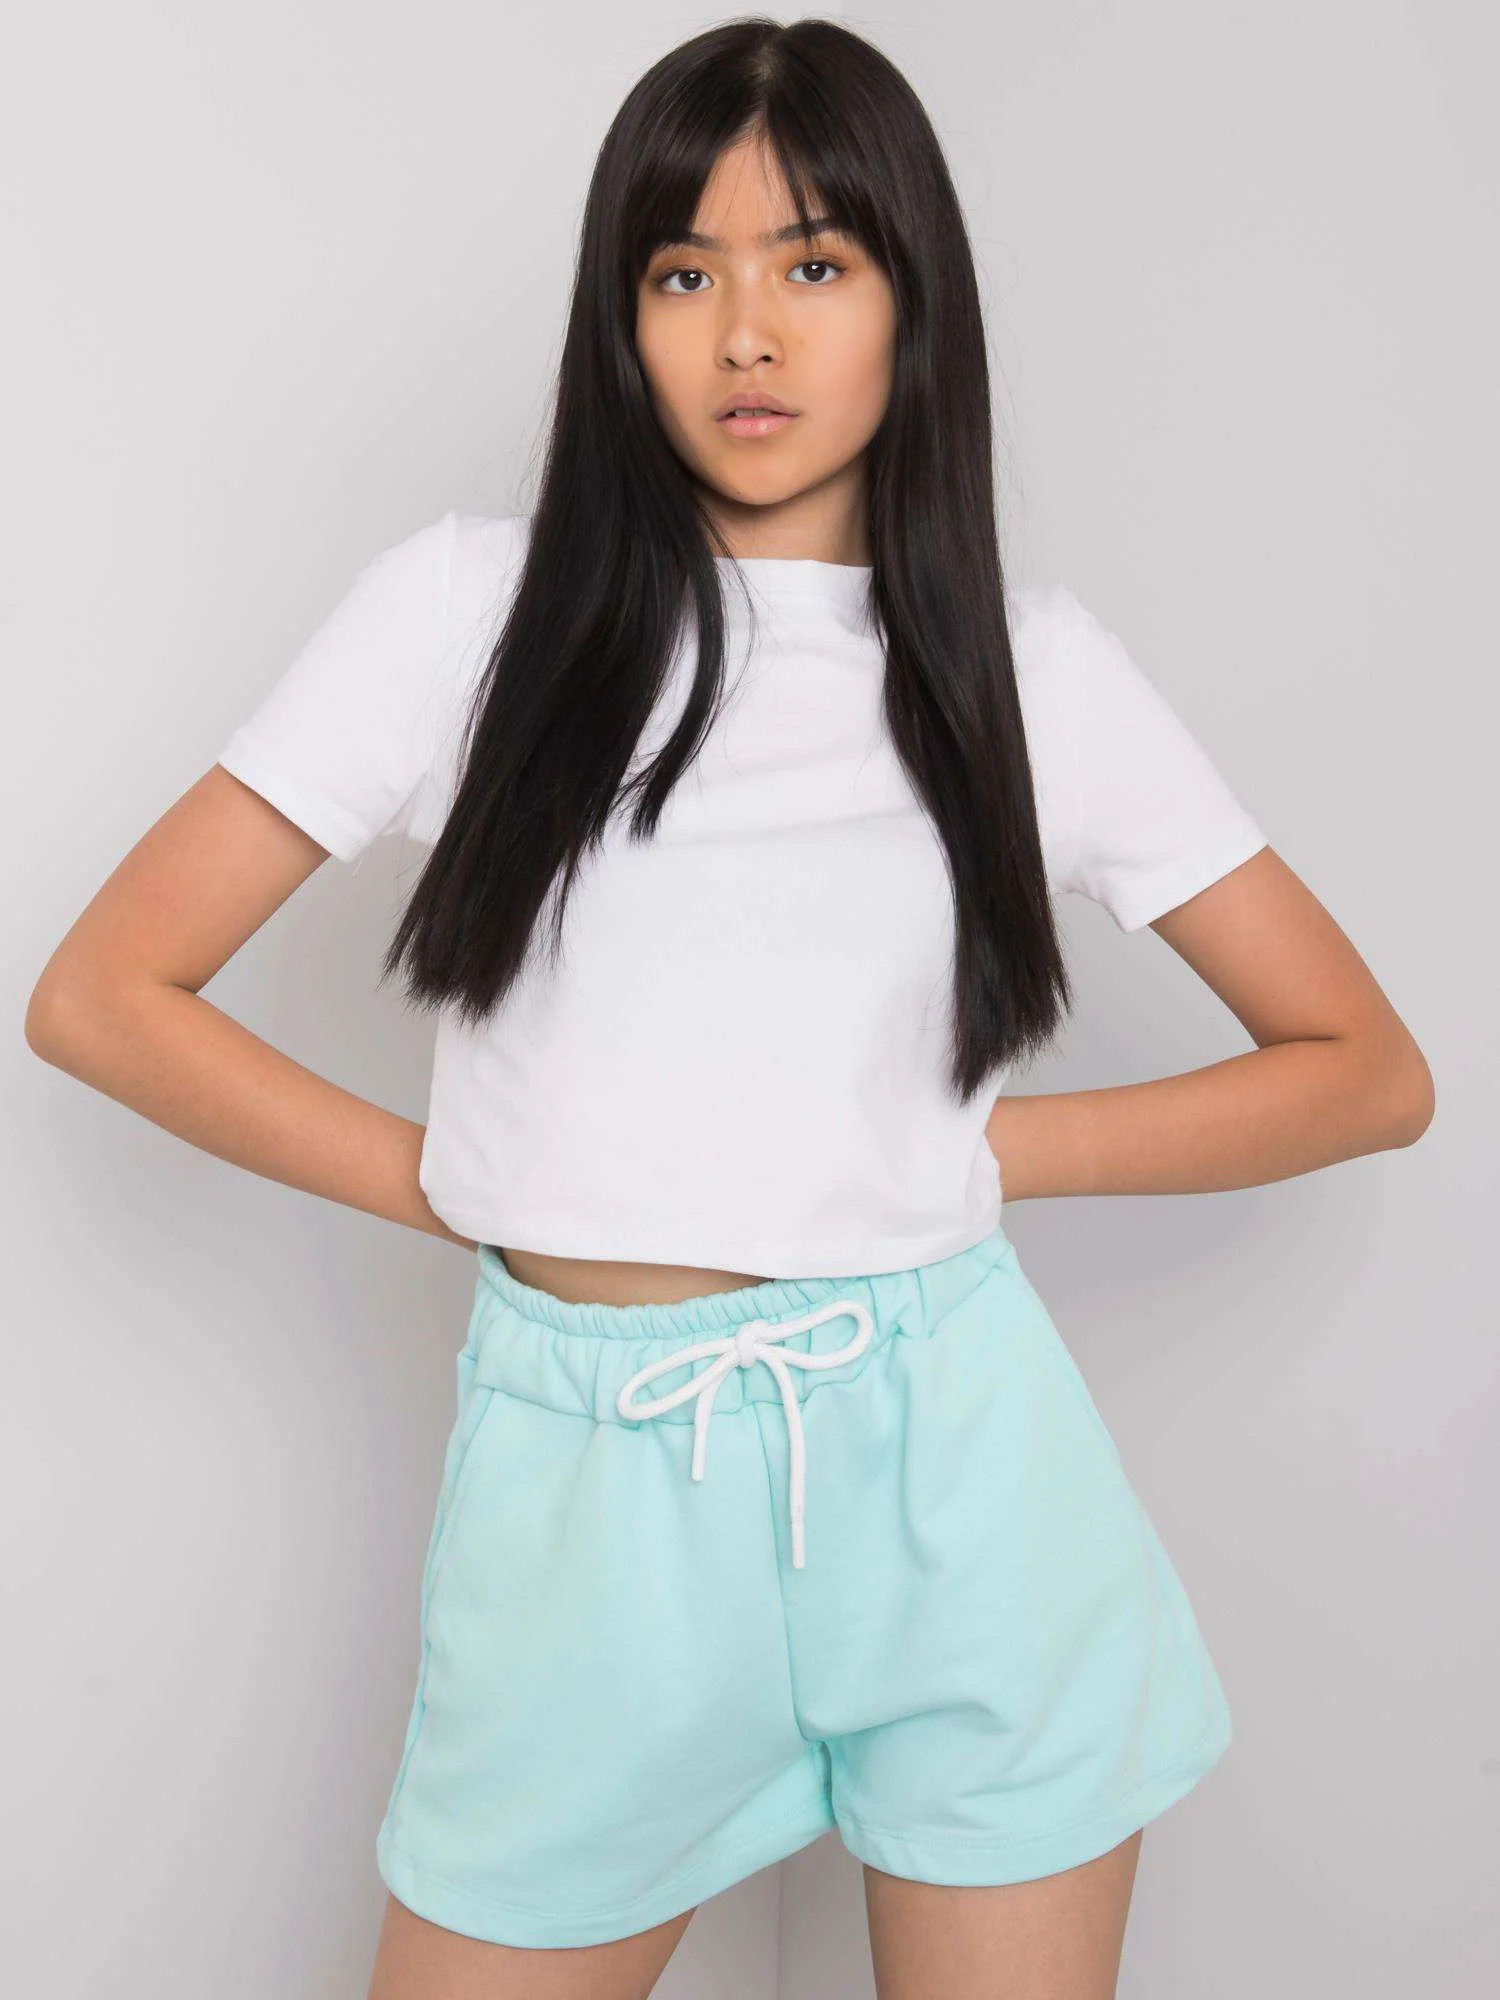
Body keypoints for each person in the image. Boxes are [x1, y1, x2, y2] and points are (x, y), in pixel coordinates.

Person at [24, 17, 1434, 2000]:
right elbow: (104, 994)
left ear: (911, 304)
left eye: (814, 263)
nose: (747, 333)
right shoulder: (469, 611)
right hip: (592, 1502)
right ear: (622, 319)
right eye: (683, 273)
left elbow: (1366, 1071)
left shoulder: (1028, 671)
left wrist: (973, 1152)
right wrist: (469, 1179)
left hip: (959, 1475)